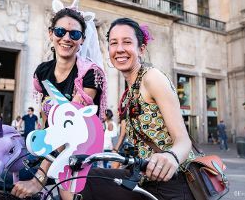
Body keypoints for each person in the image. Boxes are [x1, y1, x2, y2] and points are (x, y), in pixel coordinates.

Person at [78, 18, 194, 200]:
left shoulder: (151, 77)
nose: (120, 49)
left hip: (173, 182)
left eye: (127, 42)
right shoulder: (130, 91)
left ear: (141, 49)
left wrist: (171, 157)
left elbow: (184, 141)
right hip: (144, 179)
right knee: (86, 179)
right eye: (113, 43)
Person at [11, 6, 107, 199]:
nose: (66, 38)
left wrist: (39, 178)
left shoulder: (90, 73)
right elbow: (47, 119)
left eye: (75, 33)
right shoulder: (42, 72)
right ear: (51, 34)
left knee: (67, 195)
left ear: (82, 40)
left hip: (77, 154)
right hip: (49, 149)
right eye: (60, 31)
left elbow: (69, 129)